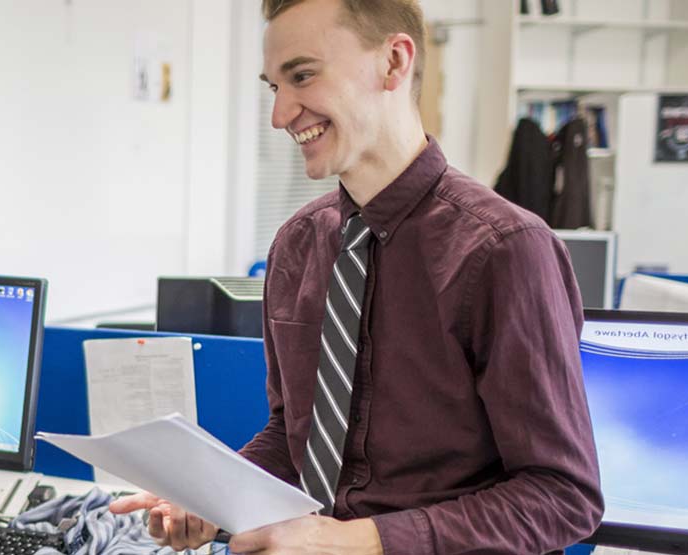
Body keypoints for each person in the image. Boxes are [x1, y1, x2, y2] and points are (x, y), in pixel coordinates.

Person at [109, 1, 603, 553]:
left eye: (302, 76)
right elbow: (293, 438)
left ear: (394, 62)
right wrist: (210, 496)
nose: (280, 115)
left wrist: (363, 541)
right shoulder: (299, 243)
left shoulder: (504, 250)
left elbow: (563, 496)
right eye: (274, 87)